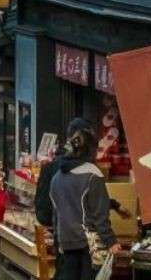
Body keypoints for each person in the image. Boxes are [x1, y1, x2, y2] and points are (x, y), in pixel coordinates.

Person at [50, 120, 120, 280]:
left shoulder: (57, 177)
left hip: (66, 243)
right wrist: (111, 241)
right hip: (88, 247)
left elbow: (57, 214)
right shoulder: (92, 174)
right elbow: (99, 215)